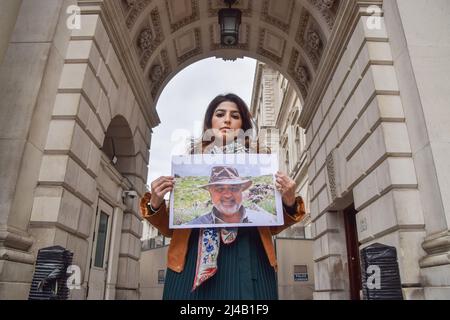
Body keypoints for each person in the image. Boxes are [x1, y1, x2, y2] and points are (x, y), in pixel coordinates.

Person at [140, 93, 306, 299]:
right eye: (220, 114)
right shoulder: (188, 165)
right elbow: (170, 227)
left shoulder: (260, 165)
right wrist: (156, 203)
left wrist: (289, 203)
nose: (227, 119)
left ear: (243, 125)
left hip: (250, 261)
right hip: (191, 265)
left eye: (235, 116)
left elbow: (270, 224)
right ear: (210, 122)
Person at [187, 165, 277, 225]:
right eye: (220, 189)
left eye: (234, 188)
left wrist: (289, 202)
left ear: (241, 191)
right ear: (211, 194)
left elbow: (280, 228)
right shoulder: (195, 225)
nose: (227, 195)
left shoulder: (265, 220)